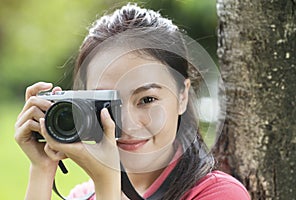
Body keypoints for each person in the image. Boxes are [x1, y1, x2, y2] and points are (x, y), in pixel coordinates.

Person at [15, 3, 250, 200]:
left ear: (182, 96)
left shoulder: (218, 194)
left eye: (147, 99)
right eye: (107, 103)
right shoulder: (84, 195)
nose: (127, 124)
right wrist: (42, 169)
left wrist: (108, 184)